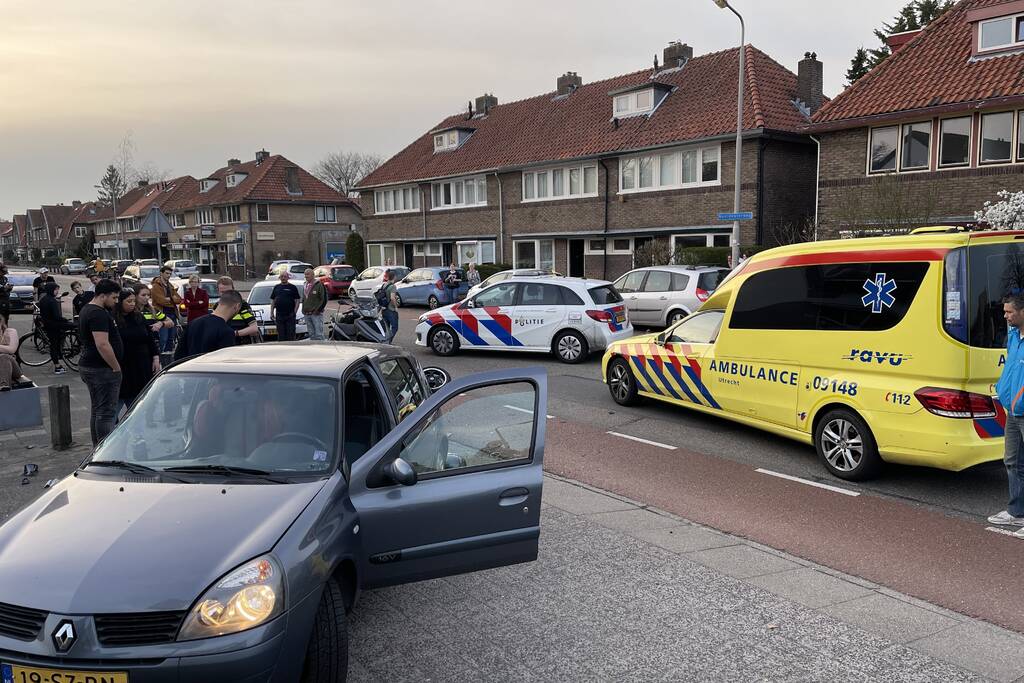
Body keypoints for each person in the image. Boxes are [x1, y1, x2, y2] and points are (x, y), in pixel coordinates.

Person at [78, 279, 124, 446]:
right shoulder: (97, 313)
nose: (116, 301)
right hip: (101, 369)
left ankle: (97, 446)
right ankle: (105, 449)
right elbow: (102, 344)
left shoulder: (89, 309)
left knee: (97, 410)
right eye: (114, 297)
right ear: (103, 295)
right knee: (105, 413)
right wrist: (115, 367)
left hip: (92, 366)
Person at [113, 288, 159, 413]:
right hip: (124, 365)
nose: (133, 304)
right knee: (115, 407)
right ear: (120, 302)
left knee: (138, 406)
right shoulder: (113, 319)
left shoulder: (138, 316)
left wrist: (155, 357)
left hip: (141, 365)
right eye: (129, 301)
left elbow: (149, 338)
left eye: (134, 301)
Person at [174, 290, 242, 360]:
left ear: (219, 302)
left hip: (190, 369)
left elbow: (178, 356)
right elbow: (226, 362)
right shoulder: (226, 332)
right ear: (237, 306)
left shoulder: (193, 323)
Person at [38, 282, 70, 375]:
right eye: (56, 289)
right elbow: (56, 316)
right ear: (51, 290)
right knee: (55, 345)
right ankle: (57, 366)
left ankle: (59, 359)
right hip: (54, 325)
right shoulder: (52, 301)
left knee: (54, 344)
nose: (57, 291)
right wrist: (64, 320)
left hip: (48, 325)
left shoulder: (44, 299)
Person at [150, 266, 182, 355]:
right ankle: (160, 357)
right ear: (161, 273)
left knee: (171, 338)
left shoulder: (170, 285)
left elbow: (179, 299)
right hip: (162, 314)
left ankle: (168, 359)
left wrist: (169, 299)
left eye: (170, 274)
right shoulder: (156, 286)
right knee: (163, 338)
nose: (168, 275)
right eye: (167, 273)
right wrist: (172, 300)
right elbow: (160, 301)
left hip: (173, 314)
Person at [217, 276, 259, 344]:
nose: (226, 295)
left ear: (233, 289)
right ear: (218, 291)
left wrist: (235, 333)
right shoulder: (217, 306)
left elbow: (254, 328)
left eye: (228, 292)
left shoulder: (242, 305)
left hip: (241, 344)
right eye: (222, 292)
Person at [0, 313, 28, 392]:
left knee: (3, 357)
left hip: (12, 368)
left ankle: (4, 385)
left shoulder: (10, 332)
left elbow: (12, 349)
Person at [270, 271, 301, 341]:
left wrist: (294, 312)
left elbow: (297, 300)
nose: (283, 278)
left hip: (290, 315)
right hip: (279, 315)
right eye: (282, 276)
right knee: (281, 335)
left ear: (288, 277)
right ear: (279, 278)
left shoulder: (293, 287)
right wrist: (271, 312)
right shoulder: (276, 287)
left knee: (290, 335)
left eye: (285, 276)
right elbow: (273, 300)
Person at [302, 268, 327, 341]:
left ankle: (322, 349)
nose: (306, 276)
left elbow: (324, 299)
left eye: (308, 274)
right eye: (305, 274)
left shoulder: (319, 285)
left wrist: (318, 310)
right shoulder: (304, 285)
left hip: (316, 314)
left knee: (319, 334)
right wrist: (303, 310)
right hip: (307, 314)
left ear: (313, 275)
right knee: (311, 334)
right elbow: (304, 299)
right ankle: (314, 350)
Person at [379, 270, 399, 344]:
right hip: (391, 309)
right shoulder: (393, 286)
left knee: (386, 327)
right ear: (394, 277)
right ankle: (388, 342)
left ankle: (384, 341)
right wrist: (396, 307)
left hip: (384, 309)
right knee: (395, 327)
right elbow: (392, 298)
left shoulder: (384, 285)